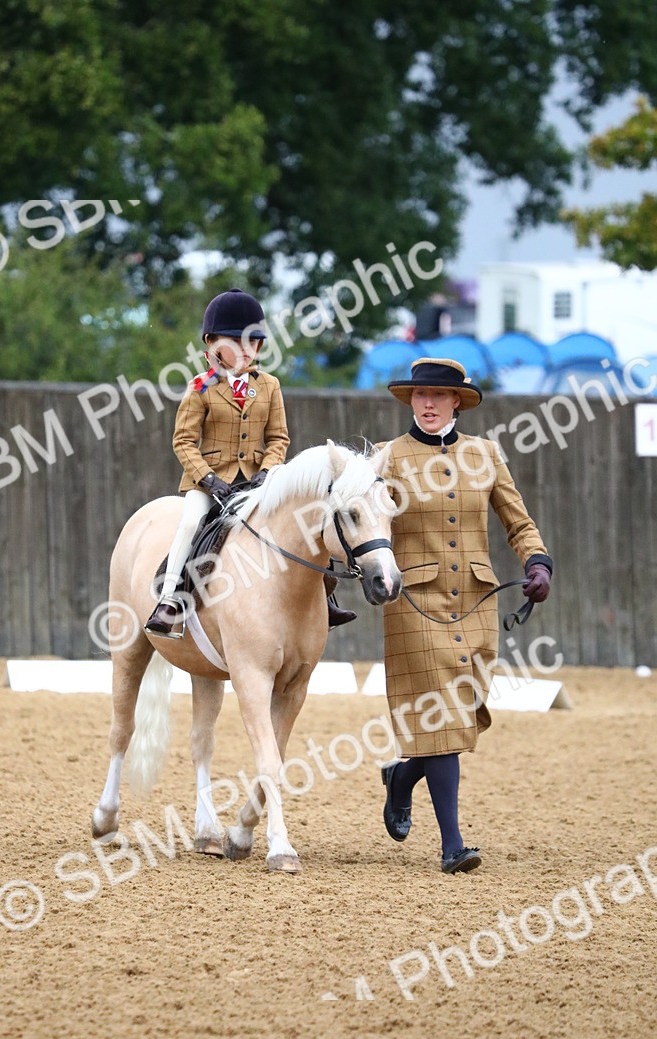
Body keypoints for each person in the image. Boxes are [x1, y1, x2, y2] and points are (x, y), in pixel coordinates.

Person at [376, 357, 553, 873]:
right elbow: (363, 524)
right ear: (410, 400)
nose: (427, 404)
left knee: (462, 711)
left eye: (438, 396)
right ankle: (452, 845)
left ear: (457, 402)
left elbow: (518, 523)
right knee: (443, 713)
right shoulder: (388, 459)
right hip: (414, 602)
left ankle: (404, 776)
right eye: (419, 395)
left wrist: (537, 562)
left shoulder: (486, 454)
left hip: (475, 600)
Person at [145, 287, 355, 637]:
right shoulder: (201, 387)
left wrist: (269, 472)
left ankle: (325, 597)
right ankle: (169, 599)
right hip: (212, 484)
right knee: (189, 523)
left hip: (259, 482)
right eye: (236, 341)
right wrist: (208, 480)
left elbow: (279, 438)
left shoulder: (269, 386)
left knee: (305, 519)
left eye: (252, 342)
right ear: (212, 344)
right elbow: (183, 441)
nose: (246, 350)